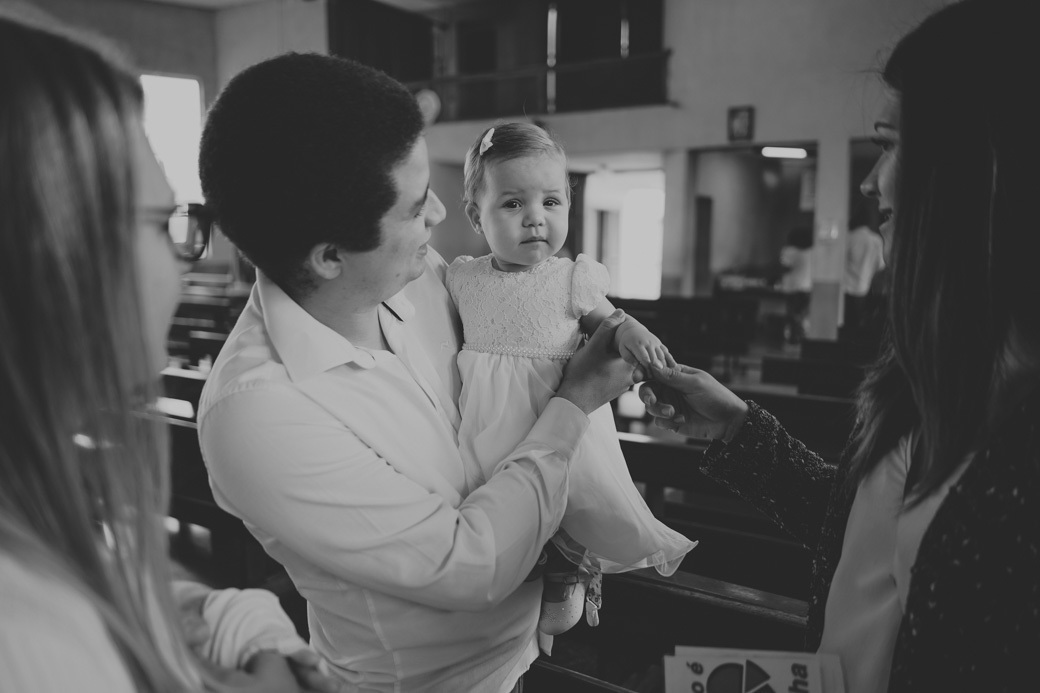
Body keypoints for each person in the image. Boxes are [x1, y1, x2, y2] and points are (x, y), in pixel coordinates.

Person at [196, 54, 642, 692]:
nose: (437, 215)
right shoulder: (260, 411)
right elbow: (472, 564)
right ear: (329, 257)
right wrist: (575, 406)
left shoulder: (418, 273)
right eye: (412, 207)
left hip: (525, 655)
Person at [640, 1, 1039, 691]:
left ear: (972, 164)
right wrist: (737, 425)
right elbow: (865, 536)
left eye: (888, 143)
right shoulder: (928, 367)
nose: (868, 179)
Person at [0, 6, 342, 692]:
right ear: (47, 248)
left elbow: (108, 573)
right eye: (163, 223)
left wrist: (226, 613)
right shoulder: (27, 638)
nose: (186, 264)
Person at [448, 122, 695, 642]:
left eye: (552, 202)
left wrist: (639, 337)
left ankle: (572, 572)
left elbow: (614, 323)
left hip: (557, 411)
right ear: (476, 215)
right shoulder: (463, 278)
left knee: (568, 500)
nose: (536, 218)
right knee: (500, 505)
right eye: (513, 204)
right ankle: (523, 596)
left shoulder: (571, 278)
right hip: (490, 419)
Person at [843, 210, 885, 337]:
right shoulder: (876, 239)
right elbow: (881, 265)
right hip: (864, 288)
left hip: (846, 287)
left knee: (846, 325)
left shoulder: (848, 237)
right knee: (858, 324)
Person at [778, 226, 813, 342]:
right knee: (802, 315)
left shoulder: (789, 251)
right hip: (807, 286)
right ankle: (801, 338)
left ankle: (793, 339)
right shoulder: (812, 251)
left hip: (791, 286)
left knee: (792, 315)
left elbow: (783, 268)